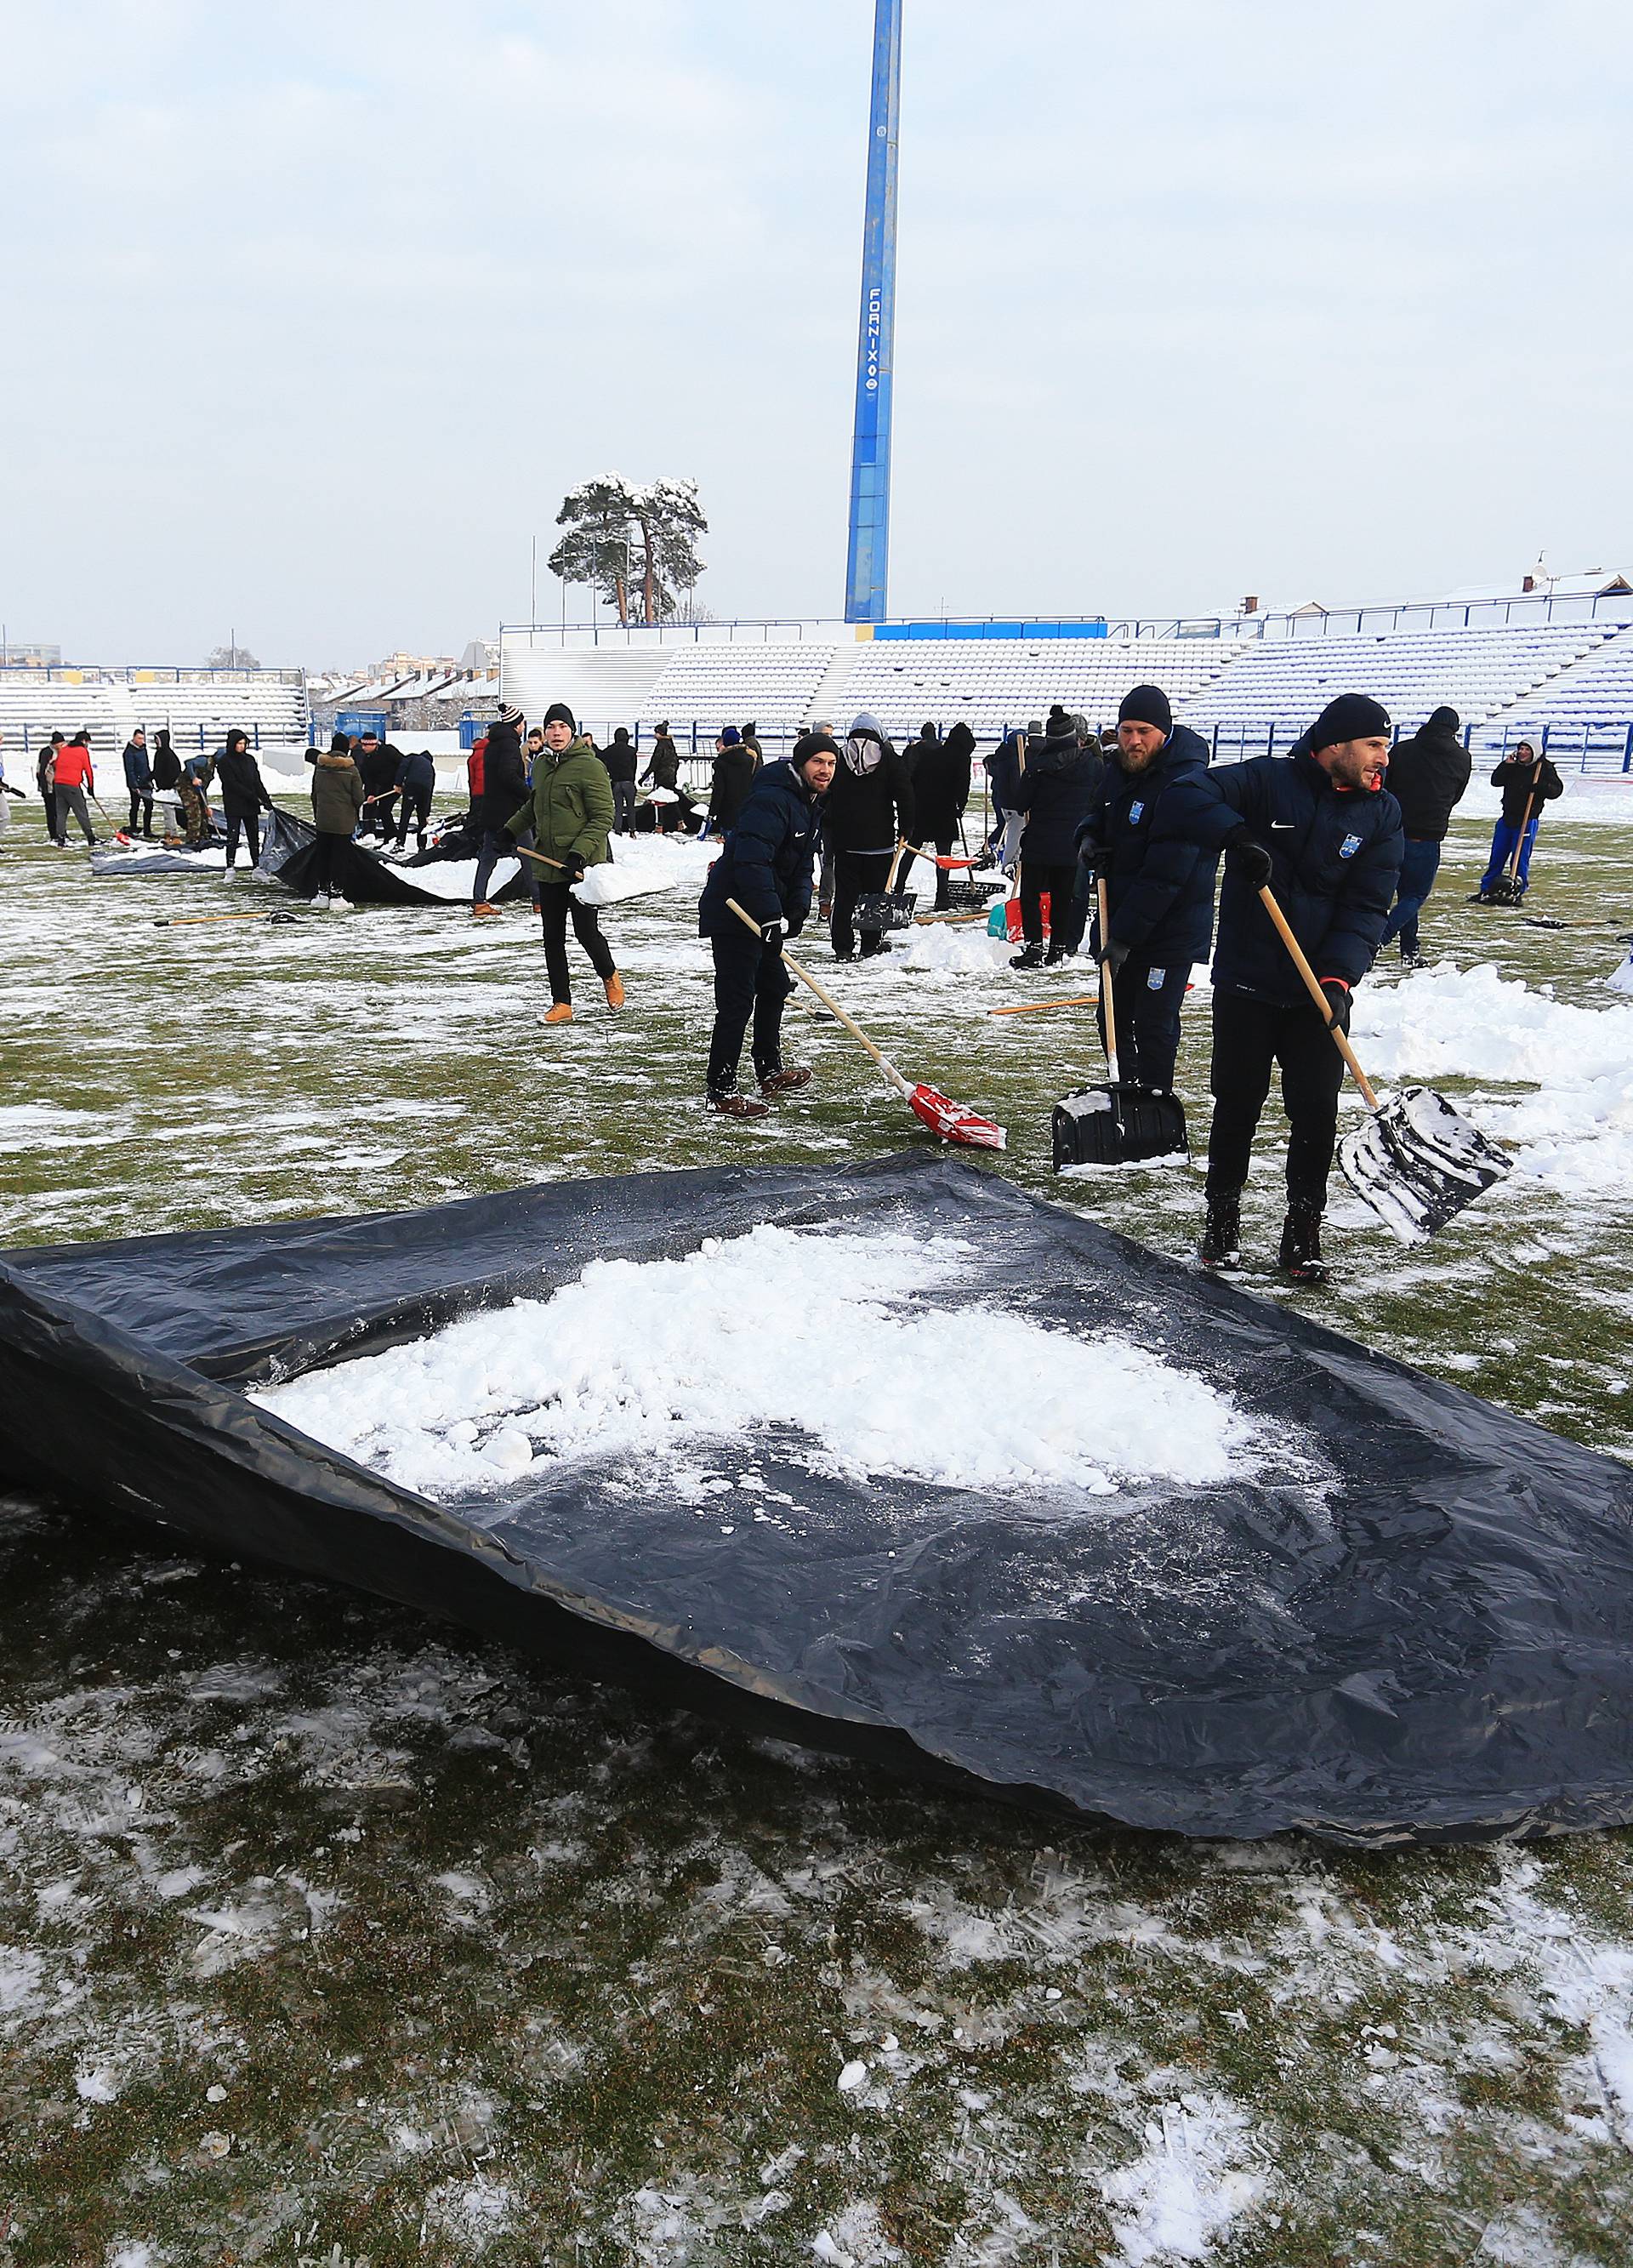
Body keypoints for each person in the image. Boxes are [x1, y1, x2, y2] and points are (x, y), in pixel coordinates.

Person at [1158, 692, 1403, 1282]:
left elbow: (1369, 906)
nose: (1383, 759)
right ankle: (1222, 1221)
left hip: (1319, 991)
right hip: (1248, 981)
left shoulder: (1382, 813)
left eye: (1386, 747)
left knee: (1316, 1113)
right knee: (1237, 1105)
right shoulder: (1268, 780)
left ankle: (1303, 1230)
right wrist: (1236, 837)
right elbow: (1183, 794)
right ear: (1336, 744)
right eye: (1374, 745)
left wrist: (1340, 980)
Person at [1075, 685, 1219, 1091]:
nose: (1134, 741)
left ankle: (1155, 1100)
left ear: (1165, 732)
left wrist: (1124, 937)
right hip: (1120, 919)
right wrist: (1086, 838)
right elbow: (1097, 812)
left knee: (1154, 1022)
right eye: (1126, 731)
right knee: (1112, 1017)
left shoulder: (1187, 785)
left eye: (1144, 732)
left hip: (1167, 929)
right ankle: (1126, 1090)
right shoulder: (1119, 770)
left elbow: (1167, 873)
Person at [697, 731, 836, 1115]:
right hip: (734, 911)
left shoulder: (809, 804)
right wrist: (769, 915)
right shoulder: (772, 801)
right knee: (737, 1000)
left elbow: (801, 865)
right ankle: (721, 1090)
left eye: (831, 764)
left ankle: (769, 1069)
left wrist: (795, 911)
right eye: (818, 763)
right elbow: (752, 862)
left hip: (762, 912)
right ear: (801, 765)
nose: (825, 770)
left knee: (775, 986)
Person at [504, 702, 622, 1023]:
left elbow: (603, 817)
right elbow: (534, 805)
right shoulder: (541, 765)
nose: (556, 734)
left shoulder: (590, 766)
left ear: (572, 731)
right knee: (552, 936)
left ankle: (609, 975)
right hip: (548, 863)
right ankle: (562, 1003)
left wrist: (577, 854)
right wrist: (510, 829)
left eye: (562, 727)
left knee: (586, 931)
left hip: (581, 867)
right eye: (551, 727)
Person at [1007, 714, 1102, 967]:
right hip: (1072, 843)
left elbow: (1020, 805)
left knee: (1031, 896)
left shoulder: (1038, 767)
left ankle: (1034, 947)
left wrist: (1025, 780)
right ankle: (1057, 949)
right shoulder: (1091, 765)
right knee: (1063, 897)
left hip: (1039, 842)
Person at [1378, 705, 1471, 962]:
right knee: (1415, 896)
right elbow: (1457, 795)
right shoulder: (1462, 758)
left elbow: (1386, 785)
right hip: (1429, 834)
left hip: (1395, 831)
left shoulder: (1403, 749)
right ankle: (1379, 939)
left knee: (1404, 895)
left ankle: (1410, 949)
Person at [825, 711, 914, 960]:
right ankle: (869, 944)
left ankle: (842, 946)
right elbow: (905, 794)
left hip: (846, 843)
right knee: (874, 896)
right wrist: (907, 827)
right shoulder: (889, 758)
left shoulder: (839, 757)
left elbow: (827, 795)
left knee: (845, 896)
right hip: (880, 842)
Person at [1473, 738, 1563, 902]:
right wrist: (1506, 764)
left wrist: (1540, 787)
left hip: (1527, 820)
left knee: (1520, 858)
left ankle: (1518, 890)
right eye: (1520, 749)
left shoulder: (1544, 768)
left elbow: (1556, 790)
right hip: (1507, 818)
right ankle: (1487, 889)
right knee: (1497, 856)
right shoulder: (1513, 767)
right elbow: (1496, 781)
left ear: (1534, 752)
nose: (1522, 752)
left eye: (1526, 750)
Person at [904, 721, 974, 909]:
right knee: (944, 855)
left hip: (923, 808)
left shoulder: (933, 754)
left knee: (912, 849)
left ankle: (898, 887)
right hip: (944, 811)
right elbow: (963, 784)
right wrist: (961, 806)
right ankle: (942, 896)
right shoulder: (961, 757)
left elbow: (915, 777)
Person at [472, 704, 529, 916]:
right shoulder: (509, 745)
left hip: (491, 809)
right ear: (517, 725)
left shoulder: (492, 744)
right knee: (529, 854)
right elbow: (508, 776)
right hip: (511, 811)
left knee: (488, 856)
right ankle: (540, 901)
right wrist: (529, 794)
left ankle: (479, 900)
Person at [308, 729, 365, 898]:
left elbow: (314, 794)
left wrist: (318, 814)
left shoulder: (320, 767)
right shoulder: (351, 770)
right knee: (339, 858)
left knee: (323, 856)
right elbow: (358, 797)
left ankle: (322, 891)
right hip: (344, 822)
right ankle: (337, 892)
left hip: (324, 820)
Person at [215, 727, 274, 871]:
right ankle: (230, 866)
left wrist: (265, 799)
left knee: (254, 837)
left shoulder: (249, 760)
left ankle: (256, 866)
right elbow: (231, 783)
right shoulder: (224, 761)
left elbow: (256, 781)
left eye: (244, 743)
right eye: (239, 743)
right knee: (233, 837)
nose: (242, 746)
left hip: (251, 805)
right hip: (234, 804)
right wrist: (252, 796)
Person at [706, 727, 756, 838]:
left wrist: (712, 811)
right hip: (745, 807)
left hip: (727, 809)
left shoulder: (721, 762)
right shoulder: (750, 759)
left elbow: (719, 790)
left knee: (729, 845)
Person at [52, 731, 99, 846]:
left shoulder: (65, 749)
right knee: (81, 811)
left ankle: (61, 837)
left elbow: (57, 765)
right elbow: (88, 770)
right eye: (87, 742)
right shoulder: (82, 751)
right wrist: (91, 787)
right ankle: (90, 837)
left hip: (58, 784)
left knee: (61, 812)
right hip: (72, 785)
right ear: (83, 741)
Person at [355, 729, 402, 841]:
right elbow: (369, 778)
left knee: (385, 808)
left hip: (396, 785)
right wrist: (371, 794)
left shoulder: (388, 751)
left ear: (373, 744)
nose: (363, 748)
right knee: (382, 810)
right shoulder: (366, 759)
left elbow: (402, 764)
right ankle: (390, 835)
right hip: (384, 785)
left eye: (365, 745)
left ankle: (393, 835)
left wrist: (400, 782)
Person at [640, 721, 686, 832]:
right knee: (671, 800)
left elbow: (654, 764)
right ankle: (680, 822)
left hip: (662, 777)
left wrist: (644, 777)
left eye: (656, 733)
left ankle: (659, 825)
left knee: (660, 801)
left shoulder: (660, 746)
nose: (654, 735)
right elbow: (676, 761)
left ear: (659, 734)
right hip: (671, 777)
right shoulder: (671, 745)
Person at [393, 746, 437, 853]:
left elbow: (403, 767)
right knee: (422, 819)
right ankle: (422, 846)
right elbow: (430, 791)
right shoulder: (431, 769)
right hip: (425, 791)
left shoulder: (413, 757)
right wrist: (427, 812)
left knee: (405, 816)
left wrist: (398, 783)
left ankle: (400, 843)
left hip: (412, 787)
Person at [600, 727, 640, 833]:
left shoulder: (610, 750)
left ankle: (618, 829)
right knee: (631, 808)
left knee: (618, 808)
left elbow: (600, 756)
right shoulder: (631, 751)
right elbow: (634, 767)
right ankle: (632, 830)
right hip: (628, 782)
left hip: (616, 783)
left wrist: (592, 745)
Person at [122, 727, 156, 837]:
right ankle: (133, 828)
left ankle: (147, 830)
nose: (142, 741)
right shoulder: (129, 752)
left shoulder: (143, 749)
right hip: (136, 783)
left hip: (146, 782)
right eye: (139, 738)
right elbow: (129, 770)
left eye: (143, 738)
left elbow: (146, 766)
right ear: (134, 738)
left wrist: (150, 779)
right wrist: (134, 785)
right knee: (135, 806)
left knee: (149, 806)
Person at [151, 729, 184, 835]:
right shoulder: (160, 753)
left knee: (169, 811)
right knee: (167, 812)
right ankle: (169, 832)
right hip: (164, 788)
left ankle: (172, 834)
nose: (156, 742)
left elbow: (170, 772)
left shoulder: (167, 755)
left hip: (169, 788)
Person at [37, 735, 62, 838]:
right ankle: (54, 834)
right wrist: (44, 788)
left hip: (56, 785)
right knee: (51, 812)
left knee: (59, 811)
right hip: (48, 786)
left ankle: (60, 832)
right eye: (60, 744)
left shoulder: (59, 752)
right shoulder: (47, 752)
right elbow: (42, 771)